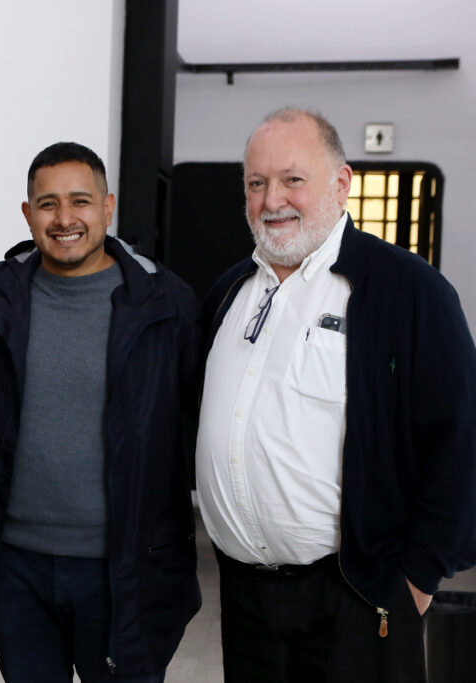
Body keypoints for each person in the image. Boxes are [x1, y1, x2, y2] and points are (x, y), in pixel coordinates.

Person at [196, 107, 476, 682]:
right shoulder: (229, 292)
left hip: (357, 597)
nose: (272, 200)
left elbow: (460, 442)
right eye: (256, 183)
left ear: (341, 183)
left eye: (292, 179)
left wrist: (417, 580)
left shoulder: (407, 290)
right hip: (248, 602)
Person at [0, 142, 201, 682]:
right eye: (47, 204)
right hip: (16, 568)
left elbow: (197, 409)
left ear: (108, 207)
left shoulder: (165, 302)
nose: (64, 218)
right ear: (28, 214)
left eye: (80, 201)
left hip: (124, 569)